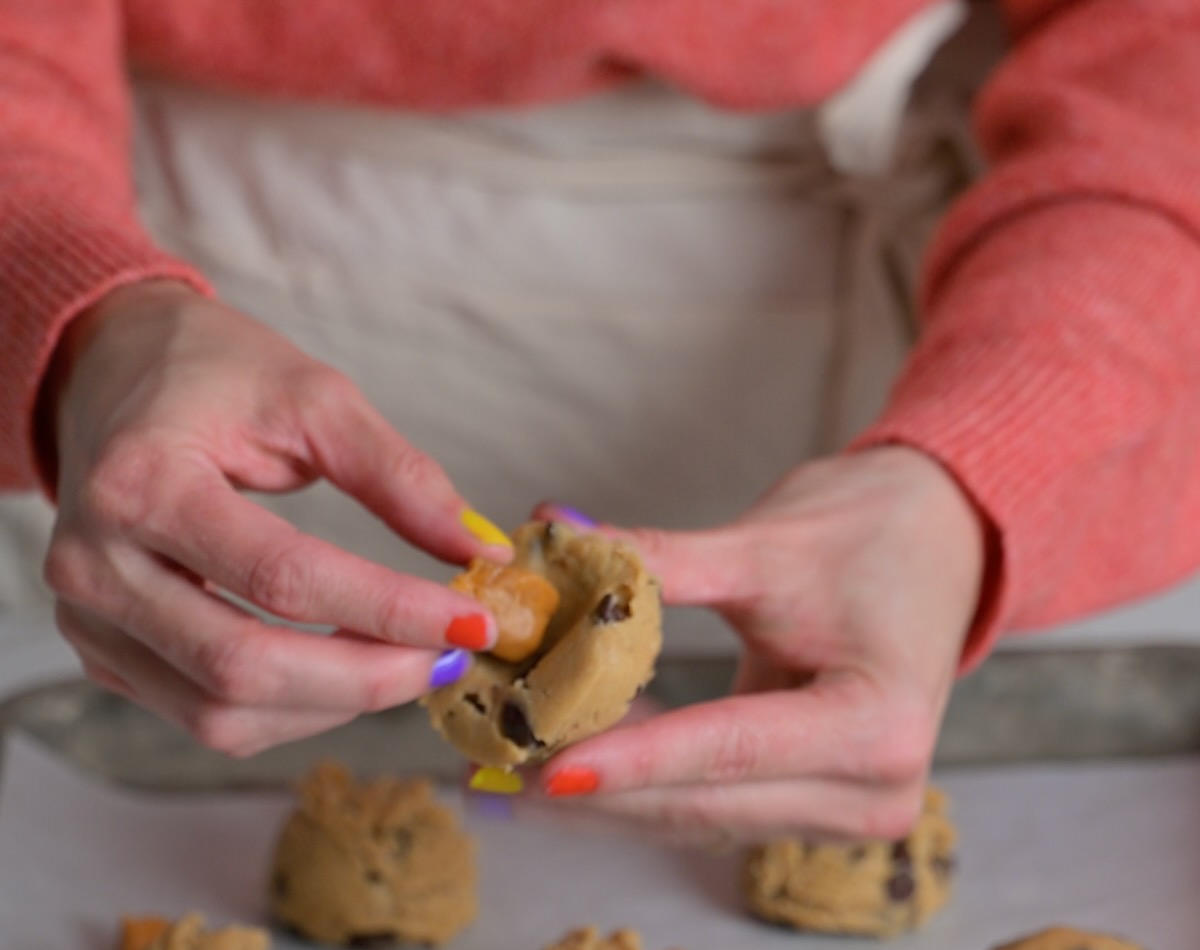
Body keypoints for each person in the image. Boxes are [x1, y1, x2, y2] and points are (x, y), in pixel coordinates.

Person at [2, 1, 1199, 841]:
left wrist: (977, 467)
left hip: (868, 381)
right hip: (150, 333)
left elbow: (1165, 50)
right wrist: (72, 313)